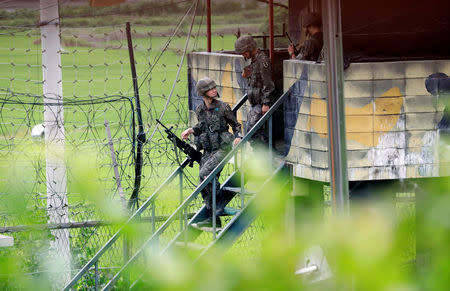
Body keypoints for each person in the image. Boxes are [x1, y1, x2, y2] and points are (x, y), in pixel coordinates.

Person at [181, 77, 242, 227]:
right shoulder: (200, 109)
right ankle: (213, 218)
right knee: (203, 181)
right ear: (203, 92)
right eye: (210, 88)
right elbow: (202, 126)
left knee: (205, 174)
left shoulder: (223, 108)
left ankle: (219, 203)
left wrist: (238, 137)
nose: (214, 90)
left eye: (214, 87)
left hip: (223, 148)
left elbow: (236, 125)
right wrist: (191, 130)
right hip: (208, 150)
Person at [234, 35, 275, 146]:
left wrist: (266, 103)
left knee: (251, 130)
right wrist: (248, 75)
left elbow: (268, 83)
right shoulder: (255, 60)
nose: (243, 55)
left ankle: (265, 154)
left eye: (244, 52)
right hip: (256, 103)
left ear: (250, 48)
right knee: (257, 132)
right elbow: (257, 81)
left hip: (261, 103)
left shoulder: (262, 61)